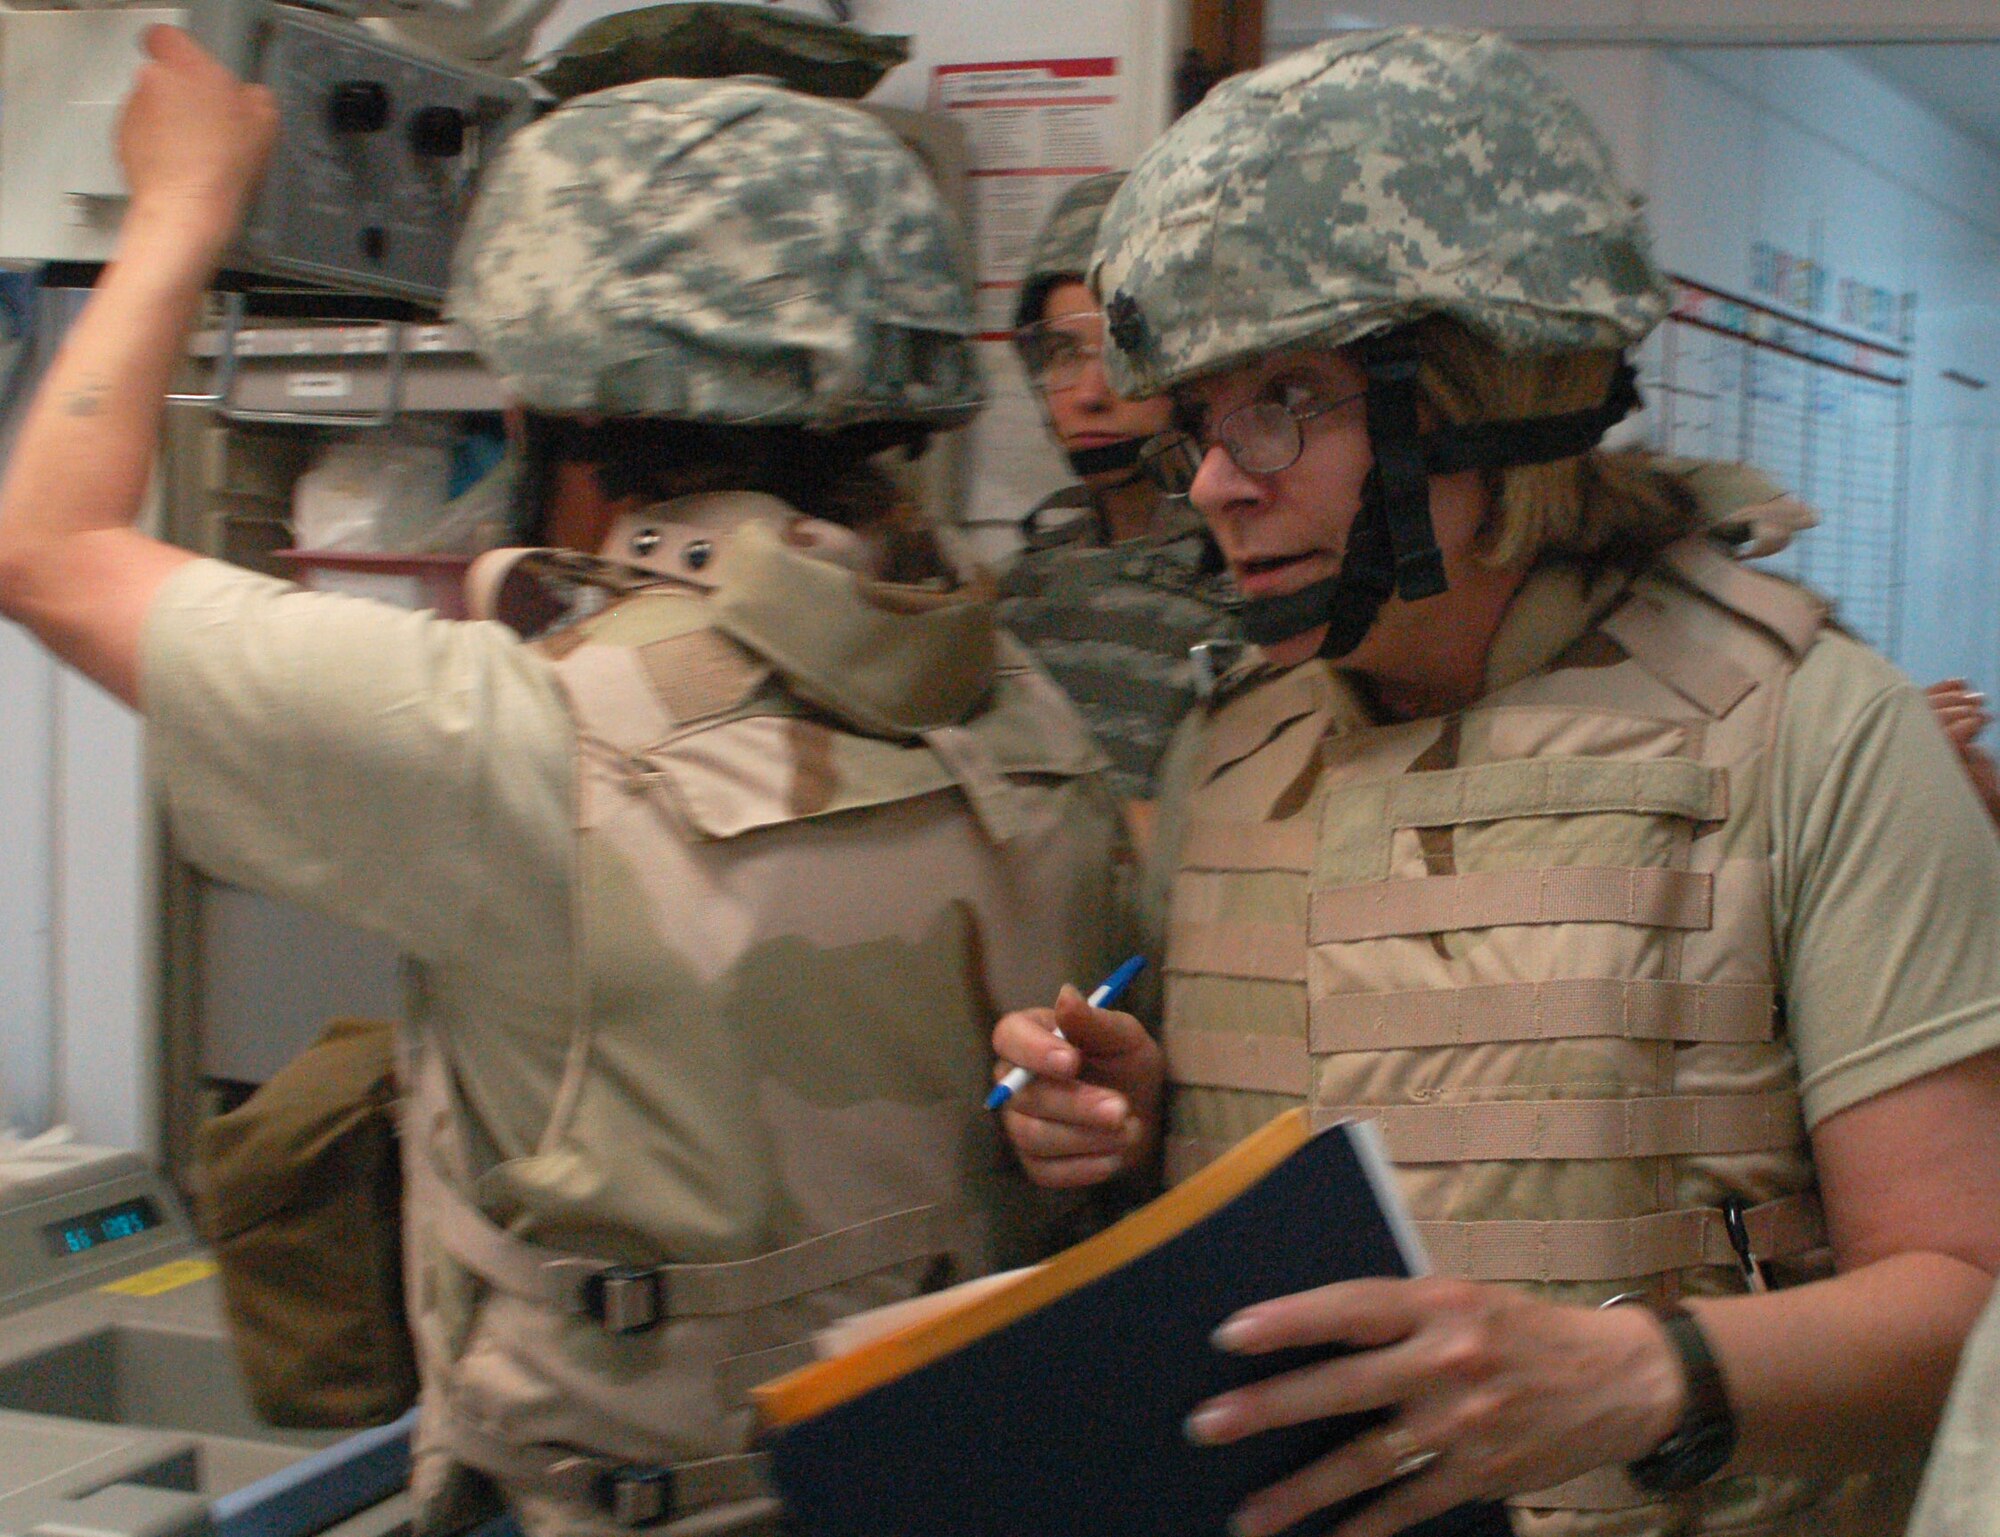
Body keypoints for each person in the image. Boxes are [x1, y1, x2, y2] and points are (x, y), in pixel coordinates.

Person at [0, 30, 1124, 1537]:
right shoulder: (1016, 702)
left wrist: (184, 202)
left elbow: (47, 548)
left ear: (550, 410)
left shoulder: (520, 739)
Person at [991, 28, 2000, 1537]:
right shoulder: (1234, 745)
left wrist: (1646, 1374)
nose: (1213, 478)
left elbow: (1969, 1301)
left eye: (1285, 402)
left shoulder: (1811, 730)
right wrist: (1128, 1123)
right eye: (1203, 419)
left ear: (1482, 391)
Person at [998, 173, 1241, 832]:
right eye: (1060, 353)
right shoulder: (1023, 587)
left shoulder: (1250, 566)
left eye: (1116, 347)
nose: (1087, 393)